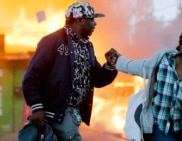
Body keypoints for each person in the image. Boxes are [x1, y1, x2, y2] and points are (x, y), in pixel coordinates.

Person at [105, 27, 182, 141]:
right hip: (155, 128)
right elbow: (139, 67)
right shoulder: (163, 62)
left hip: (181, 133)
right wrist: (117, 61)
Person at [22, 2, 117, 141]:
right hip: (57, 114)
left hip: (72, 116)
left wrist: (110, 66)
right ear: (80, 20)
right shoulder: (52, 41)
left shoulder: (87, 46)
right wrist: (37, 108)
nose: (95, 24)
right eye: (91, 19)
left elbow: (96, 79)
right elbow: (31, 77)